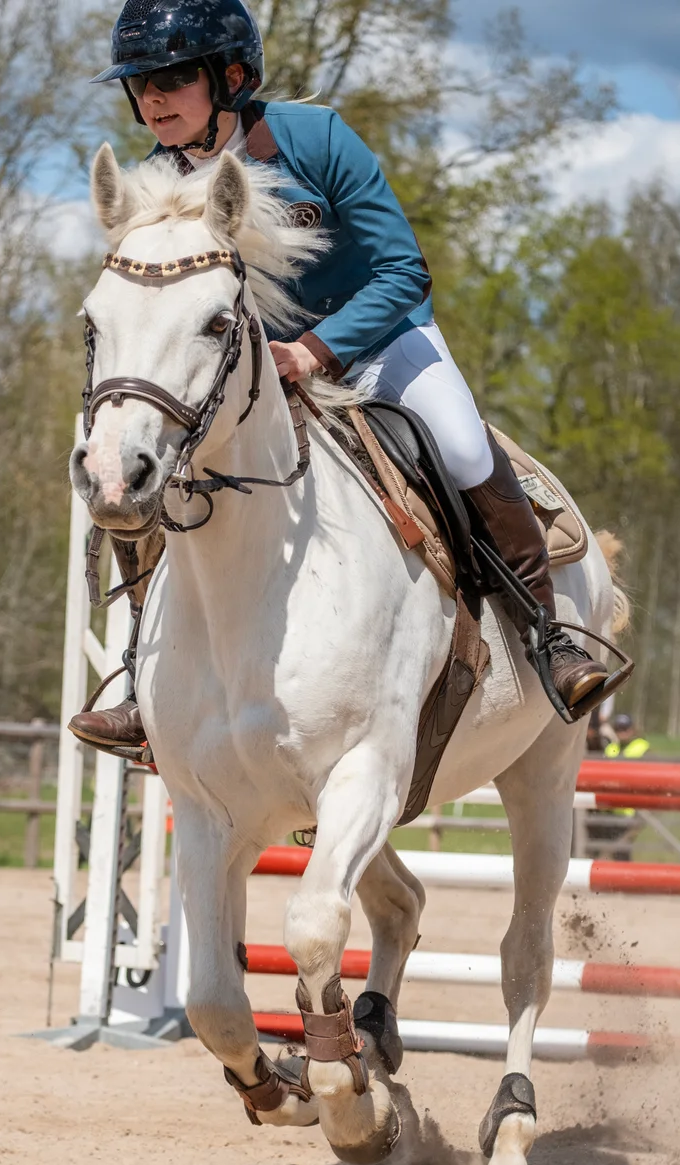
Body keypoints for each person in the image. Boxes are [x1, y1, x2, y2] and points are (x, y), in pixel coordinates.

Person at [70, 0, 609, 752]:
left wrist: (315, 351)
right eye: (140, 84)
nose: (152, 98)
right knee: (156, 472)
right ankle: (144, 680)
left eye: (172, 79)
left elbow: (404, 271)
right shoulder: (159, 181)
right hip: (257, 370)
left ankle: (547, 635)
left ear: (231, 77)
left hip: (379, 342)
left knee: (460, 446)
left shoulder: (316, 139)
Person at [586, 711, 650, 860]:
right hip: (609, 810)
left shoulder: (643, 748)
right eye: (619, 728)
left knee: (621, 853)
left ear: (632, 729)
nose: (622, 732)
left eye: (625, 728)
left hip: (630, 811)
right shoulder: (611, 748)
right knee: (601, 852)